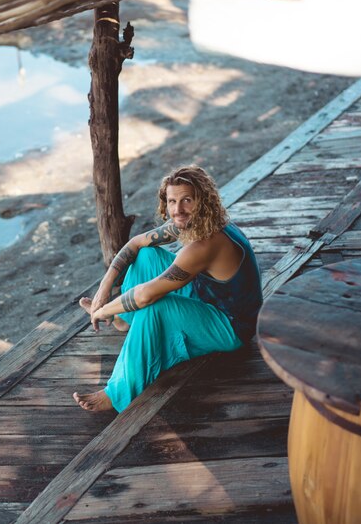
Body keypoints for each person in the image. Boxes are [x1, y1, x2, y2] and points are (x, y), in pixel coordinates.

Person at [73, 165, 263, 413]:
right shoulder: (194, 223)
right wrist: (104, 287)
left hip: (231, 326)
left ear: (203, 201)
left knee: (156, 305)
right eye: (172, 201)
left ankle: (117, 392)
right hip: (207, 296)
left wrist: (102, 310)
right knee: (147, 254)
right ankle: (124, 319)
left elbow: (145, 295)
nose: (177, 209)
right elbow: (135, 242)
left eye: (187, 200)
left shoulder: (205, 245)